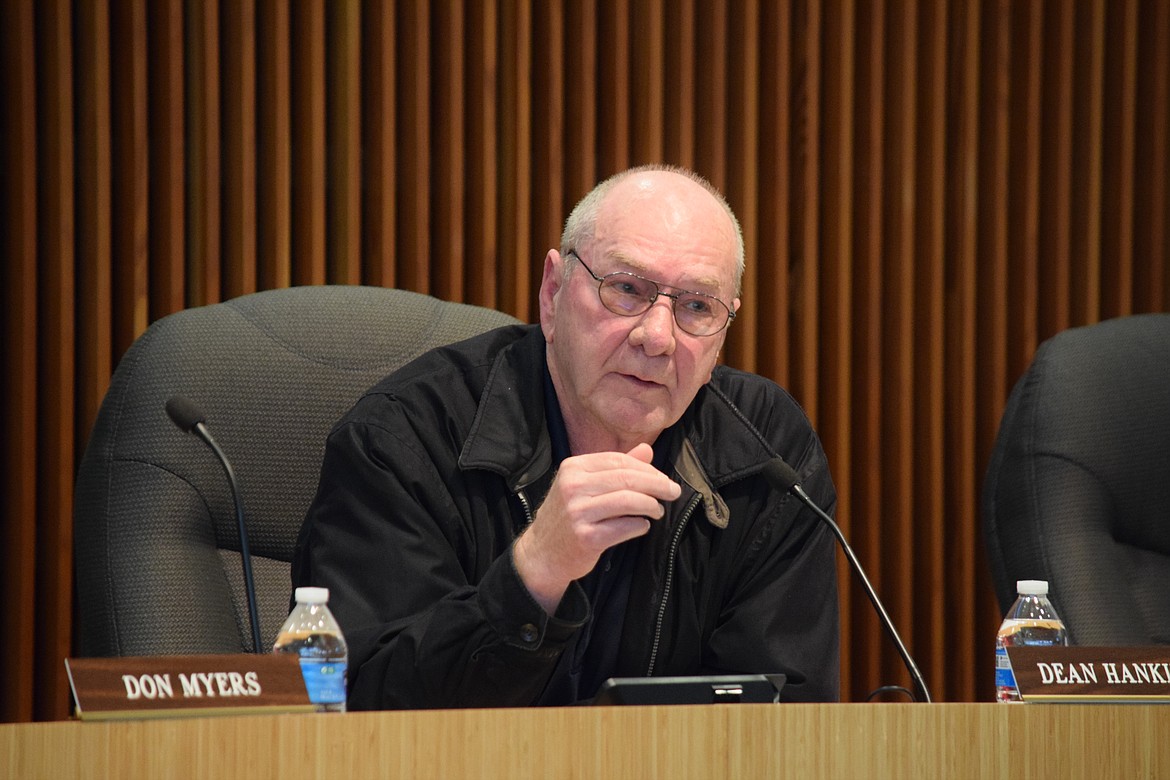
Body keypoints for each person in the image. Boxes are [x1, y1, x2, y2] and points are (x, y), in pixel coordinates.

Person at [291, 164, 840, 708]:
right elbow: (355, 708)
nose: (657, 337)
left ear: (724, 331)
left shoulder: (767, 453)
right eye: (626, 289)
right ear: (553, 292)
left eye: (697, 306)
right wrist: (534, 573)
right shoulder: (404, 440)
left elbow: (785, 720)